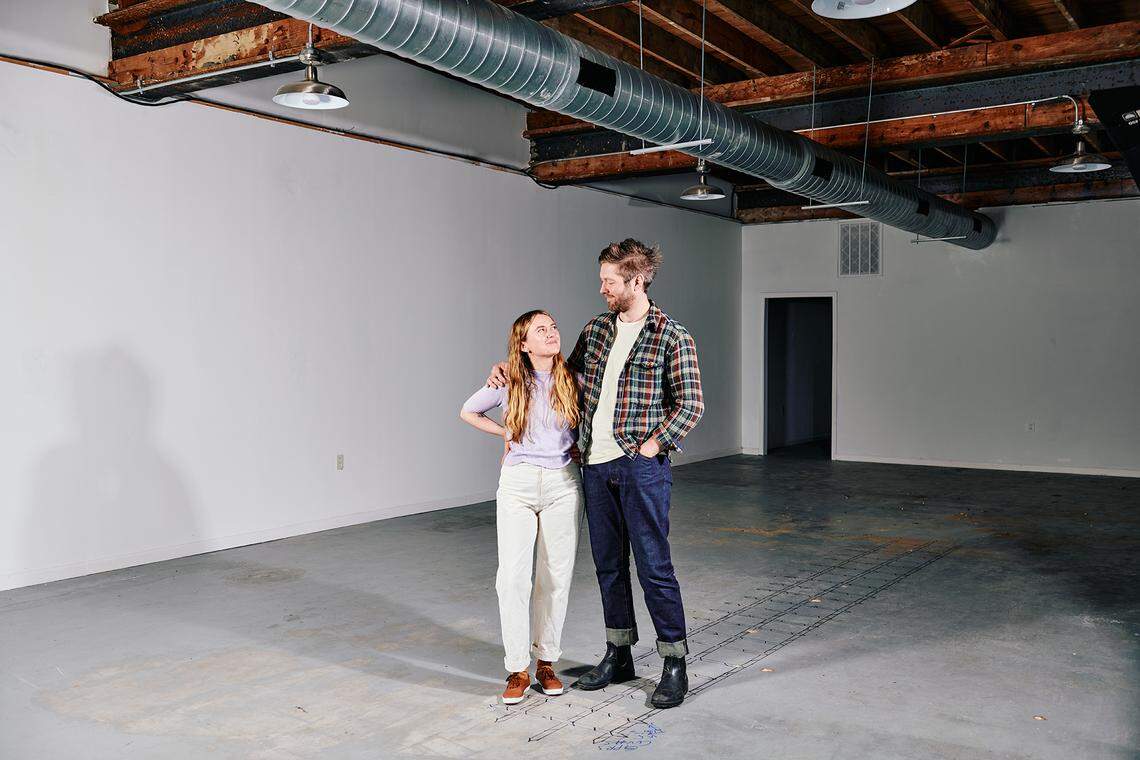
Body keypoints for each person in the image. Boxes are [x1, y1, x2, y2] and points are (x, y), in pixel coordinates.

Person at [488, 239, 704, 708]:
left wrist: (652, 446)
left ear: (636, 280)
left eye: (609, 281)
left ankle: (673, 661)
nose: (602, 288)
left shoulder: (672, 336)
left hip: (640, 467)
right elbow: (557, 377)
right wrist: (510, 368)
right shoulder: (597, 330)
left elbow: (691, 404)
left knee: (653, 565)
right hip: (592, 465)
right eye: (602, 280)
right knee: (608, 565)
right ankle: (619, 652)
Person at [460, 310, 584, 705]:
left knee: (556, 577)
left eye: (553, 327)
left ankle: (546, 661)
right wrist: (505, 435)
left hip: (564, 484)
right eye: (540, 330)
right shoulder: (508, 379)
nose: (551, 333)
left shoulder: (573, 379)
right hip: (517, 483)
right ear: (524, 343)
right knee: (512, 578)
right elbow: (468, 410)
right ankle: (517, 667)